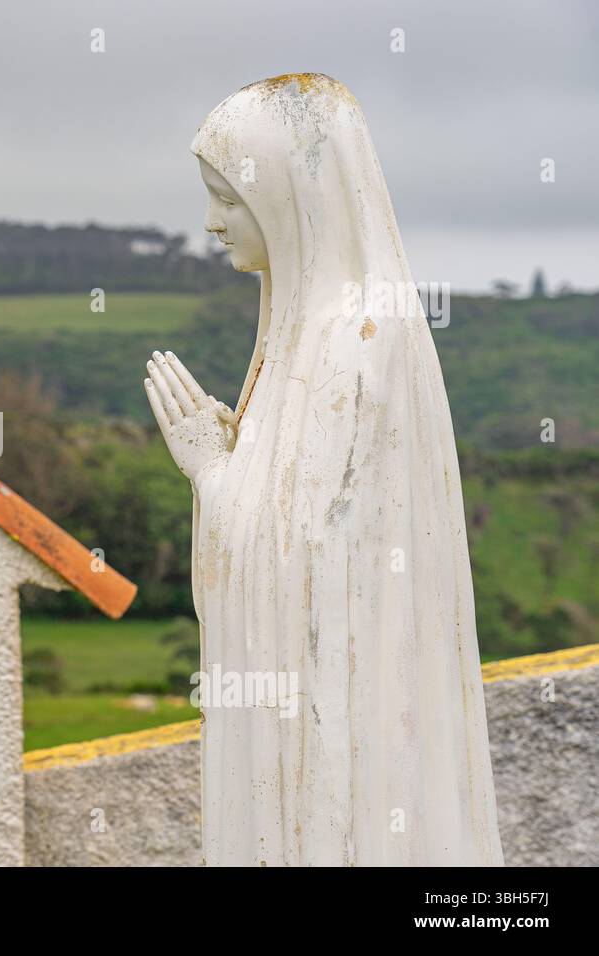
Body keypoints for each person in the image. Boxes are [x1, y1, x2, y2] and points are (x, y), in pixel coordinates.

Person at [144, 74, 502, 865]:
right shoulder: (307, 335)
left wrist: (209, 471)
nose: (212, 223)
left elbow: (302, 560)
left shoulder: (355, 338)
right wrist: (234, 460)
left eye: (227, 198)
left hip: (346, 744)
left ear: (290, 196)